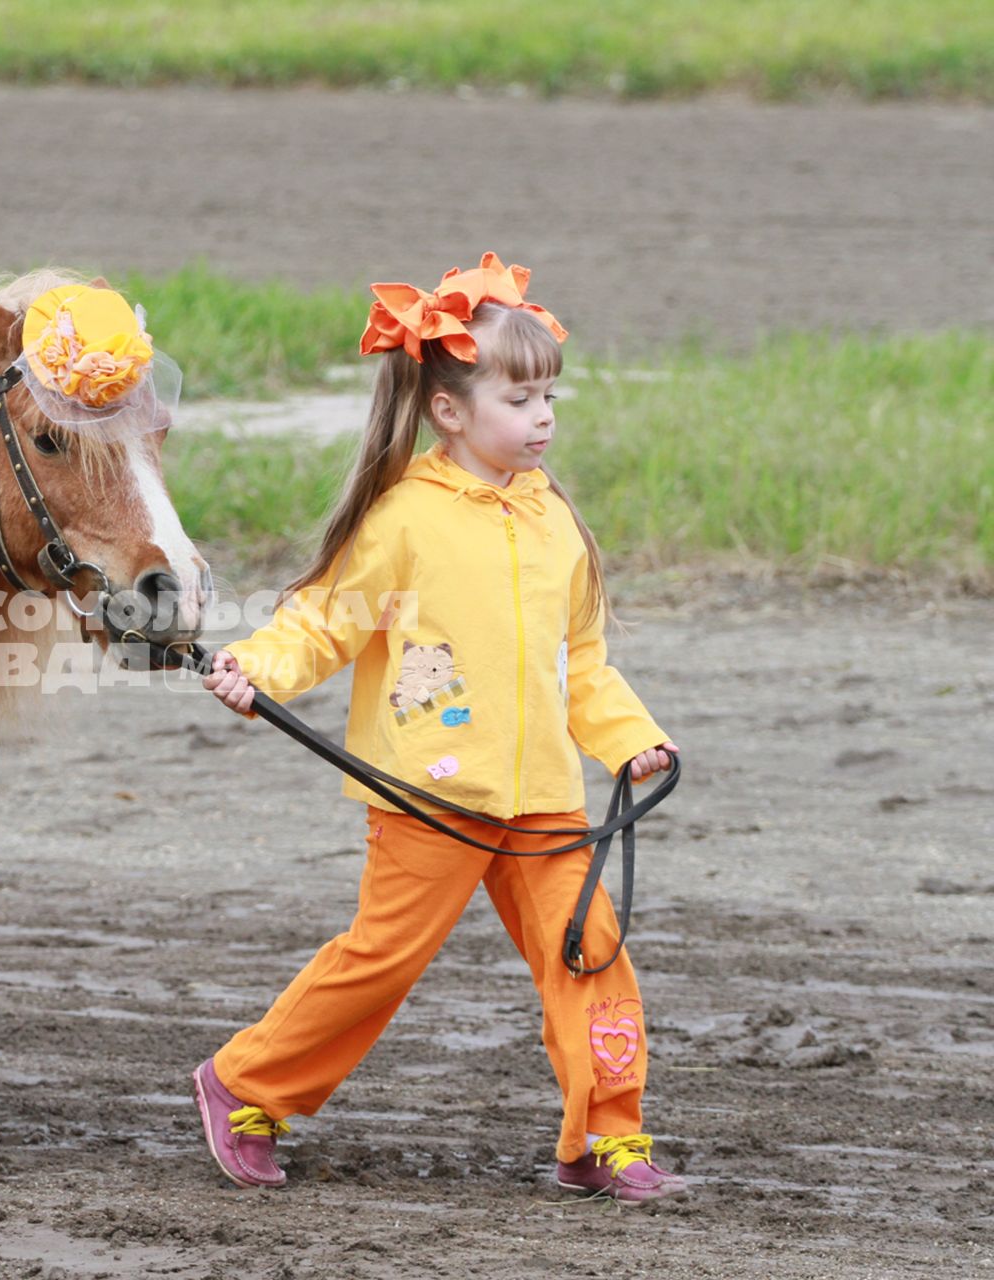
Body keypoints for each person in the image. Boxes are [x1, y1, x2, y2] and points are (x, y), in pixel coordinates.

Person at [191, 254, 687, 1203]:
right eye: (520, 398)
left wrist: (628, 739)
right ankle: (244, 1087)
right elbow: (325, 619)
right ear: (451, 411)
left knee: (591, 955)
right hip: (427, 790)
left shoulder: (557, 526)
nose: (543, 417)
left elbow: (581, 662)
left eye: (550, 396)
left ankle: (606, 1135)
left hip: (544, 797)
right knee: (381, 962)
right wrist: (256, 668)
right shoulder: (404, 521)